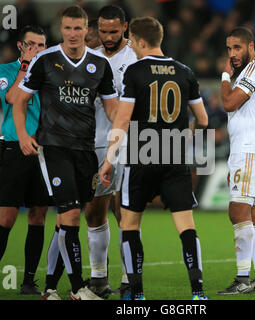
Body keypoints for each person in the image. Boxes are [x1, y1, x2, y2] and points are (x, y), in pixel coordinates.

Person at [13, 5, 118, 300]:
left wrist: (123, 128)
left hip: (85, 150)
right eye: (68, 28)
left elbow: (111, 107)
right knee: (70, 214)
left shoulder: (99, 64)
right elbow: (20, 100)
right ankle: (77, 289)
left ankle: (49, 288)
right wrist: (22, 134)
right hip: (53, 147)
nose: (73, 34)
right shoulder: (45, 60)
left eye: (78, 28)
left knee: (69, 220)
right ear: (62, 29)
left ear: (87, 30)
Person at [99, 16, 209, 300]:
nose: (131, 47)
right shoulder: (185, 71)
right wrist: (185, 136)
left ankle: (136, 294)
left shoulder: (134, 71)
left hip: (141, 158)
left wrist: (109, 159)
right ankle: (198, 292)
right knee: (186, 226)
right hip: (174, 158)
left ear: (141, 41)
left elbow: (122, 121)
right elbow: (203, 119)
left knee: (129, 224)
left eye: (132, 41)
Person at [84, 5, 137, 299]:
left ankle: (129, 278)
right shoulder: (89, 58)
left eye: (114, 32)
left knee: (125, 211)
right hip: (93, 142)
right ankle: (99, 279)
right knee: (93, 212)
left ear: (125, 27)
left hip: (128, 143)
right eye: (103, 32)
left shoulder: (137, 56)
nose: (107, 37)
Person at [217, 27, 255, 295]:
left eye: (237, 48)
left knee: (237, 211)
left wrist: (224, 76)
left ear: (251, 46)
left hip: (250, 150)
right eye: (229, 49)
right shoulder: (250, 73)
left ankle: (242, 279)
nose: (232, 54)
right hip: (251, 149)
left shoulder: (254, 70)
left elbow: (229, 103)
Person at [0, 25, 50, 295]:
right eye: (31, 45)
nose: (36, 49)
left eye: (41, 45)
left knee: (38, 215)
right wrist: (26, 66)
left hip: (44, 150)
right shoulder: (5, 71)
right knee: (6, 217)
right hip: (14, 147)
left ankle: (29, 280)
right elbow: (11, 98)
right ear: (21, 46)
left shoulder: (52, 73)